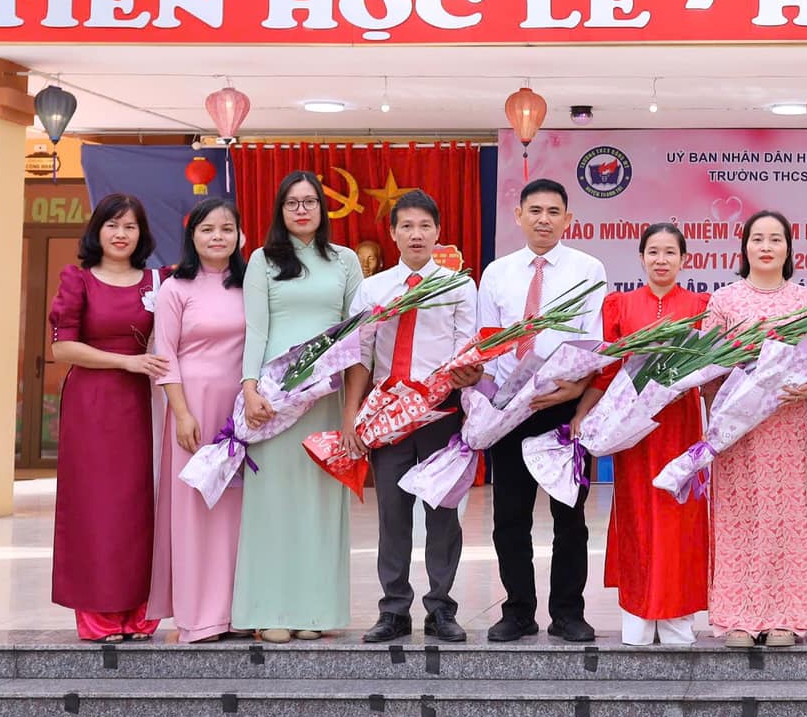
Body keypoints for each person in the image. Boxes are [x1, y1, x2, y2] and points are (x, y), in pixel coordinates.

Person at [343, 190, 479, 645]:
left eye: (425, 226)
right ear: (393, 233)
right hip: (388, 417)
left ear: (438, 232)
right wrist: (352, 416)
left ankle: (441, 609)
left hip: (441, 413)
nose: (416, 234)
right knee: (393, 514)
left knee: (443, 514)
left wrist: (467, 378)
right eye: (407, 226)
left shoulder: (458, 286)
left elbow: (466, 349)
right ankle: (394, 610)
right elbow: (359, 356)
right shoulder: (374, 289)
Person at [477, 178, 607, 644]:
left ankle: (569, 613)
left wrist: (577, 390)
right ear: (519, 216)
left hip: (565, 407)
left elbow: (596, 339)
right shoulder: (497, 273)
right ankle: (517, 611)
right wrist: (489, 403)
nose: (544, 220)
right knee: (510, 517)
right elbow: (486, 344)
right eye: (535, 211)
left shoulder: (588, 269)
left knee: (569, 516)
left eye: (554, 212)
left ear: (568, 219)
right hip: (509, 408)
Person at [236, 170, 362, 643]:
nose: (302, 210)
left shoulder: (345, 260)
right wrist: (251, 389)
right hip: (275, 398)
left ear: (322, 209)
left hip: (325, 397)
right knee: (272, 504)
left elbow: (357, 336)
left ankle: (314, 611)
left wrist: (351, 409)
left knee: (320, 504)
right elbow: (256, 330)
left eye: (310, 201)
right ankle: (269, 610)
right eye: (292, 203)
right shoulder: (263, 260)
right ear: (280, 210)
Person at [702, 212, 807, 648]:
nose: (767, 246)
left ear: (789, 248)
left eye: (776, 239)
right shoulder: (724, 301)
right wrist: (719, 420)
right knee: (741, 517)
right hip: (740, 429)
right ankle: (737, 616)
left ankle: (787, 617)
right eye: (758, 239)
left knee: (788, 517)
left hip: (789, 425)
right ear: (745, 248)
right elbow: (707, 368)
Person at [584, 223, 710, 646]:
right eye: (653, 252)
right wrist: (585, 414)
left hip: (680, 425)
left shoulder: (700, 306)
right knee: (636, 514)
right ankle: (638, 615)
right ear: (641, 257)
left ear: (684, 260)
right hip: (634, 429)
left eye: (670, 252)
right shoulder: (619, 306)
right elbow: (606, 371)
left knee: (679, 515)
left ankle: (676, 617)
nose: (661, 260)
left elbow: (711, 370)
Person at [49, 193, 166, 642]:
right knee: (94, 506)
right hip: (91, 404)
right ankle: (97, 612)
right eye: (112, 225)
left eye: (130, 226)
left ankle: (140, 609)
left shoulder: (158, 280)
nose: (121, 234)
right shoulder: (77, 279)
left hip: (142, 403)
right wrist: (126, 362)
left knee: (137, 505)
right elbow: (63, 348)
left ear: (142, 234)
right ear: (97, 230)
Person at [149, 196, 248, 643]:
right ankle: (198, 616)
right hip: (193, 408)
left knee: (235, 510)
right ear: (192, 236)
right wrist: (182, 412)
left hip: (240, 409)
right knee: (195, 507)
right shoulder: (176, 288)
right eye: (207, 229)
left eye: (226, 229)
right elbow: (165, 355)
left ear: (240, 236)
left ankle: (236, 611)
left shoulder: (250, 285)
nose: (217, 237)